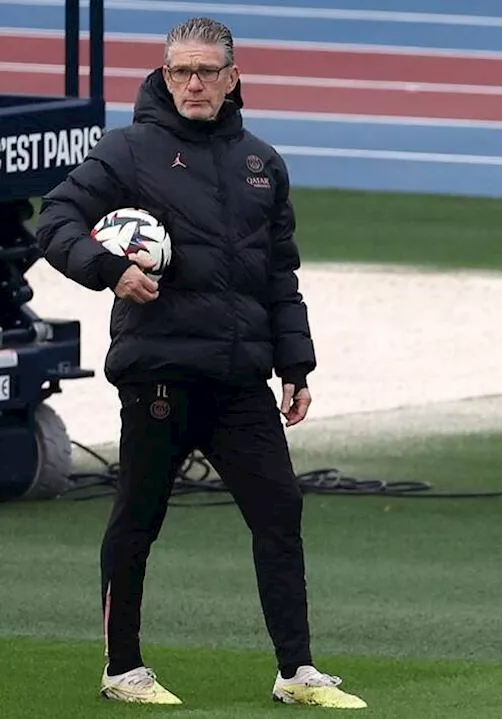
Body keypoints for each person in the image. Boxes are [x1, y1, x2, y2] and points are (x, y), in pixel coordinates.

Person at [35, 16, 366, 710]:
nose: (192, 83)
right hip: (159, 370)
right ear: (163, 74)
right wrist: (109, 271)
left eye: (207, 71)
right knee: (138, 516)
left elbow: (281, 276)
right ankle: (122, 668)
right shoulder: (127, 152)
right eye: (180, 70)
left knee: (279, 508)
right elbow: (55, 220)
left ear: (232, 79)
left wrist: (296, 366)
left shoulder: (261, 163)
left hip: (241, 376)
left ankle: (296, 671)